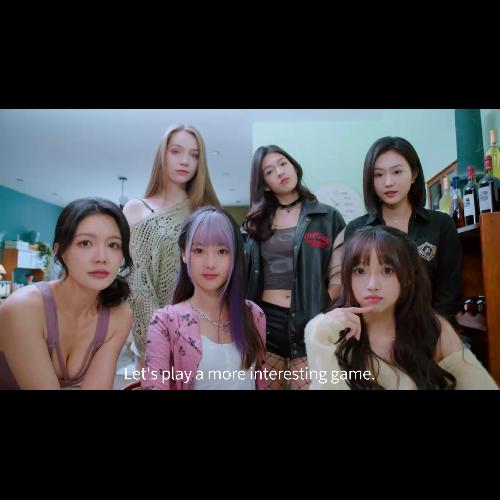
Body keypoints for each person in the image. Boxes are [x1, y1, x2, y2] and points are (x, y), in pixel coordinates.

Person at [305, 225, 498, 390]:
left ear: (407, 278)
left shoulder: (433, 329)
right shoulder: (332, 333)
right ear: (347, 277)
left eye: (387, 270)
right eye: (360, 271)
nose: (372, 284)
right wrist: (318, 335)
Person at [0, 198, 133, 389]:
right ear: (60, 251)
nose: (102, 257)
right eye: (85, 243)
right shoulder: (23, 308)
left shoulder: (118, 315)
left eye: (113, 245)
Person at [243, 145, 345, 389]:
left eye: (283, 163)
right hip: (266, 323)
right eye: (269, 171)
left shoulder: (327, 216)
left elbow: (341, 272)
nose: (280, 172)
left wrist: (323, 302)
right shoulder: (255, 224)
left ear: (294, 166)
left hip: (311, 320)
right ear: (266, 184)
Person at [330, 136, 461, 322]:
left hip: (430, 329)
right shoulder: (357, 229)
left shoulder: (441, 224)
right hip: (375, 329)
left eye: (397, 172)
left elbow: (449, 294)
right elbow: (354, 291)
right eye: (378, 175)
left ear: (414, 174)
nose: (388, 182)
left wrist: (433, 331)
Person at [123, 124, 220, 370]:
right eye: (176, 151)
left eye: (194, 155)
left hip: (202, 333)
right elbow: (136, 281)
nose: (184, 160)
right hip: (149, 334)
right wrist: (158, 336)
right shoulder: (136, 209)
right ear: (162, 155)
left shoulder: (206, 213)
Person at [142, 207, 267, 390]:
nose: (210, 263)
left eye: (222, 251)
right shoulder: (165, 321)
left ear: (235, 257)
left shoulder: (254, 314)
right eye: (199, 250)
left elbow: (260, 383)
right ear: (184, 254)